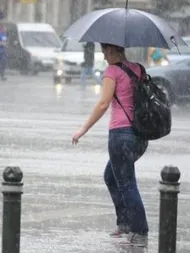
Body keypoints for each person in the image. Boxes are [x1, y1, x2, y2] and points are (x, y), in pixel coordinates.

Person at [71, 43, 149, 247]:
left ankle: (140, 231)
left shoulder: (112, 71)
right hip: (139, 135)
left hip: (121, 134)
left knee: (127, 183)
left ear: (115, 50)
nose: (104, 54)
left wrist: (83, 129)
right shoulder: (138, 69)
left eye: (106, 50)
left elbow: (103, 104)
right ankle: (124, 223)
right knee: (111, 176)